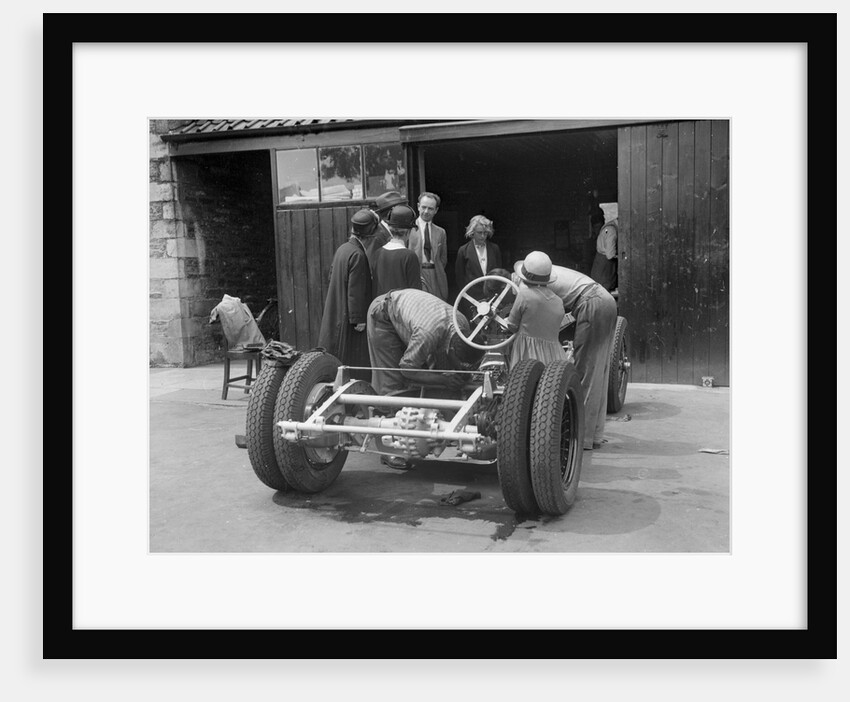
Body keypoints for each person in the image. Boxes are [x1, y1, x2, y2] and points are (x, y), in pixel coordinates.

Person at [367, 287, 484, 468]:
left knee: (440, 371)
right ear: (451, 349)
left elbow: (449, 364)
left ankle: (444, 422)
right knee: (392, 384)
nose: (461, 368)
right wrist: (444, 379)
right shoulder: (428, 334)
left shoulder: (462, 325)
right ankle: (388, 449)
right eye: (460, 362)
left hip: (412, 313)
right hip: (385, 316)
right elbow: (407, 369)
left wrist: (459, 375)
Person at [528, 260, 618, 451]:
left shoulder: (531, 284)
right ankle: (595, 436)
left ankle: (579, 440)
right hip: (606, 300)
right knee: (598, 371)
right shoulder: (542, 269)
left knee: (585, 373)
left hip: (593, 303)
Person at [317, 208, 379, 381]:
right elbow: (355, 291)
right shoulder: (358, 254)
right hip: (347, 320)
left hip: (336, 311)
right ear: (369, 235)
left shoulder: (343, 249)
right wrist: (358, 319)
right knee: (348, 362)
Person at [505, 251, 570, 367]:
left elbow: (512, 325)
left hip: (527, 354)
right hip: (554, 354)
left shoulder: (524, 296)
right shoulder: (558, 301)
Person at [454, 214, 503, 320]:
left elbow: (500, 273)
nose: (483, 236)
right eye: (479, 233)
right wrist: (466, 296)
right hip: (472, 297)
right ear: (472, 233)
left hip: (492, 296)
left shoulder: (494, 249)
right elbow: (460, 277)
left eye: (485, 233)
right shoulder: (463, 250)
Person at [370, 204, 422, 297]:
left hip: (382, 308)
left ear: (390, 228)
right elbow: (416, 293)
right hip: (402, 309)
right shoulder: (409, 256)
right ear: (408, 232)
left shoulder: (378, 253)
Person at [408, 192, 449, 301]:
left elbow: (443, 258)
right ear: (418, 207)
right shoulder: (409, 229)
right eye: (424, 207)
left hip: (436, 275)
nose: (426, 211)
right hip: (417, 273)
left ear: (436, 210)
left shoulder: (441, 232)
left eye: (430, 209)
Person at [364, 190, 407, 265]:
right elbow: (370, 265)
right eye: (400, 209)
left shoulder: (391, 232)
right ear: (391, 212)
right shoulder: (377, 236)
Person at [590, 205, 618, 292]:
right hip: (605, 265)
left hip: (601, 263)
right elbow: (610, 255)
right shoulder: (611, 231)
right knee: (603, 289)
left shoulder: (609, 229)